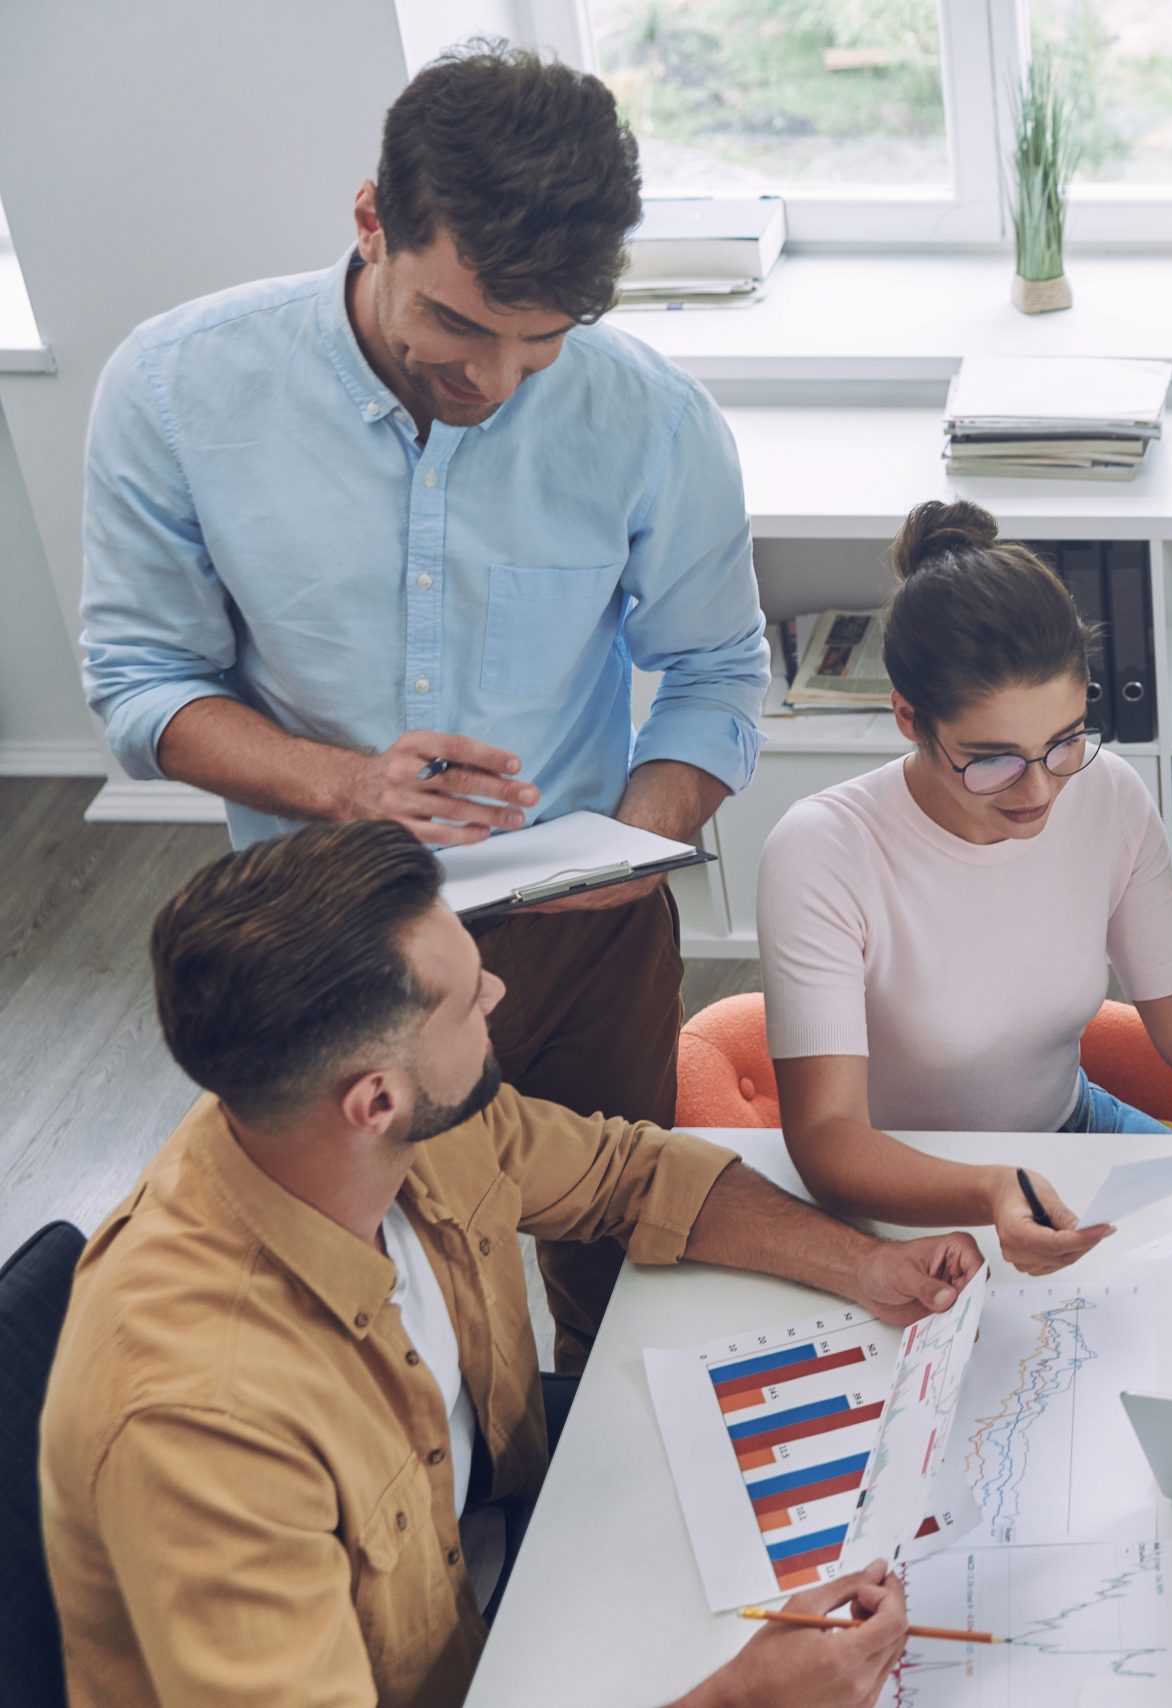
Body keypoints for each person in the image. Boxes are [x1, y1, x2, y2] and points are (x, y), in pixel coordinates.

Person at [76, 45, 769, 1369]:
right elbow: (142, 689)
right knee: (362, 1330)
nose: (494, 380)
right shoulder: (174, 390)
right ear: (370, 222)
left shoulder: (656, 421)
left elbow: (717, 673)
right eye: (458, 323)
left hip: (585, 940)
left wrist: (638, 841)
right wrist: (343, 786)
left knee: (623, 1285)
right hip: (317, 963)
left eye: (541, 343)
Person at [39, 822, 976, 1708]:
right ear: (374, 1100)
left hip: (509, 1540)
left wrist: (862, 1265)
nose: (496, 993)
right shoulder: (204, 1424)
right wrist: (741, 1698)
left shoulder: (390, 1125)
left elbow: (628, 1174)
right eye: (466, 993)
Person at [756, 501, 1172, 1275]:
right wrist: (992, 1190)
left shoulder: (1107, 794)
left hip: (1073, 1134)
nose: (1040, 790)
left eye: (1064, 741)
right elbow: (829, 1142)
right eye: (992, 760)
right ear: (908, 718)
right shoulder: (823, 850)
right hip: (911, 1190)